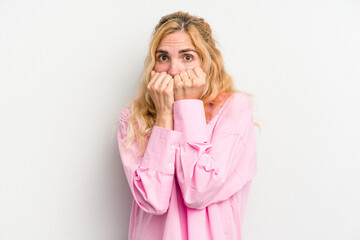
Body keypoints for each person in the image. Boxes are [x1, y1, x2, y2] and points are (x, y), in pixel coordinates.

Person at [117, 11, 258, 240]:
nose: (173, 70)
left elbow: (199, 190)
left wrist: (187, 105)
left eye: (187, 57)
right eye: (163, 57)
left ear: (206, 61)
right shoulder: (133, 119)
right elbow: (154, 200)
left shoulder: (234, 110)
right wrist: (164, 115)